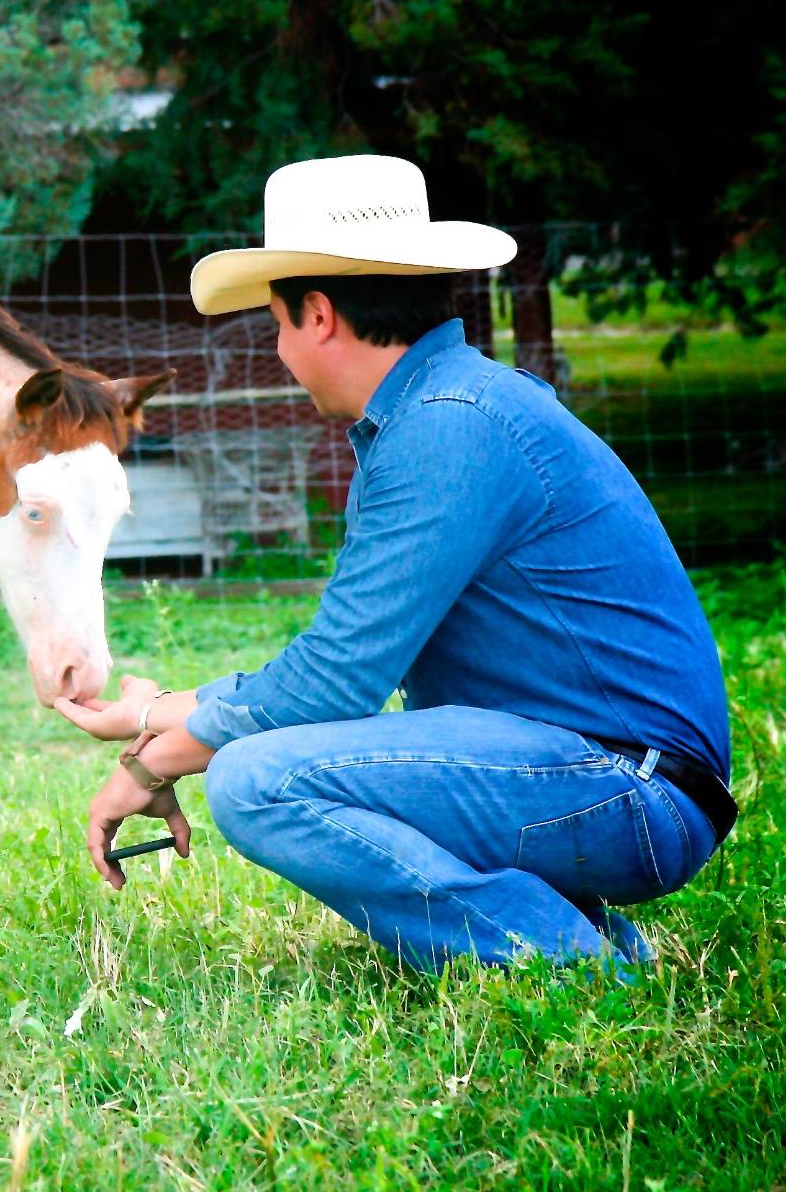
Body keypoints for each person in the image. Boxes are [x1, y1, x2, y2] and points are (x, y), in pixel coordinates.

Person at [54, 155, 735, 970]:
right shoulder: (444, 408)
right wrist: (155, 710)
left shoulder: (449, 427)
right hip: (594, 770)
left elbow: (327, 687)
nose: (277, 350)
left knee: (254, 781)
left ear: (318, 313)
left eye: (275, 323)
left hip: (629, 790)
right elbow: (342, 667)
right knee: (264, 761)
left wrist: (151, 758)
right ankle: (585, 936)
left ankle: (573, 964)